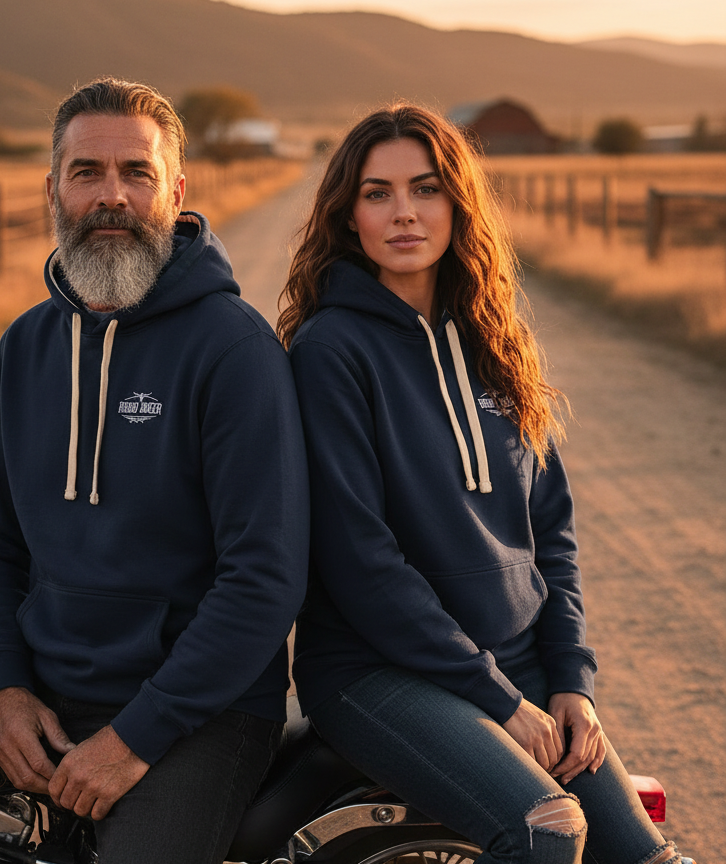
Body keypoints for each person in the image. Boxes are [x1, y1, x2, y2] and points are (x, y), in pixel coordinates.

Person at [279, 104, 693, 864]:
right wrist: (496, 698)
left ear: (458, 204)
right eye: (377, 193)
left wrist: (571, 680)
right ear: (349, 217)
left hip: (520, 660)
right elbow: (359, 562)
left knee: (651, 860)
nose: (404, 212)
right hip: (379, 671)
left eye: (426, 189)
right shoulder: (329, 351)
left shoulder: (494, 340)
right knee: (545, 829)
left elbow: (552, 535)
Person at [0, 77, 308, 863]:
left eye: (136, 173)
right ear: (53, 189)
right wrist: (5, 690)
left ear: (174, 190)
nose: (110, 196)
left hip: (199, 714)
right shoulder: (25, 348)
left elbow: (264, 578)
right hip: (47, 697)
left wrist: (133, 738)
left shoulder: (234, 351)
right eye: (87, 173)